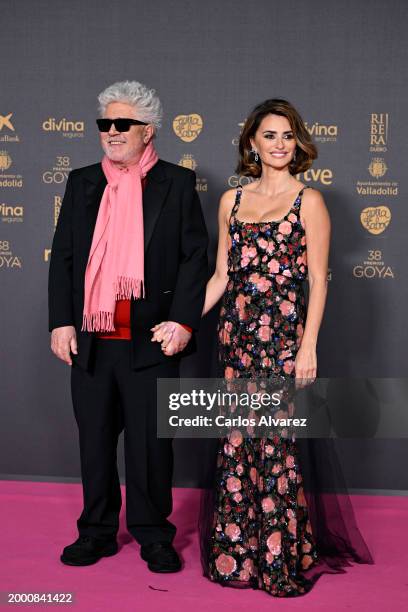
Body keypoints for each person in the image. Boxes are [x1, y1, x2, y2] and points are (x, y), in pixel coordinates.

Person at [199, 99, 373, 596]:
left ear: (297, 143)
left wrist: (308, 346)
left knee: (277, 448)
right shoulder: (231, 202)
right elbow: (221, 276)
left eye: (287, 136)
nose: (278, 144)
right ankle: (239, 559)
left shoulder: (309, 202)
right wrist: (184, 324)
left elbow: (319, 280)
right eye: (269, 135)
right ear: (251, 141)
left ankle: (279, 560)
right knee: (239, 444)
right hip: (235, 340)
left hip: (281, 341)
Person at [48, 80, 208, 572]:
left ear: (148, 131)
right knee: (95, 442)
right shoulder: (82, 183)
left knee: (150, 446)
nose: (112, 132)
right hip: (93, 342)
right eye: (105, 124)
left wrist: (182, 320)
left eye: (124, 124)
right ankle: (95, 532)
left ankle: (153, 534)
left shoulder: (176, 184)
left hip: (150, 341)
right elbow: (65, 260)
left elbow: (194, 259)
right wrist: (61, 323)